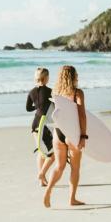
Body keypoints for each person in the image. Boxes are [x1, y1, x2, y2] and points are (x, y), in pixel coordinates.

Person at [43, 65, 87, 208]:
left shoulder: (57, 92)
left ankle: (48, 190)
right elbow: (82, 115)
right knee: (75, 168)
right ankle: (72, 199)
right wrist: (83, 136)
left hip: (59, 132)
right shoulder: (77, 93)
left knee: (59, 166)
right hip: (72, 133)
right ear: (74, 76)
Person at [26, 67, 55, 187]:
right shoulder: (50, 91)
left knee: (41, 152)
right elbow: (57, 104)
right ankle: (41, 174)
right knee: (53, 154)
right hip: (44, 125)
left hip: (35, 124)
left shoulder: (31, 92)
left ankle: (41, 181)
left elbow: (28, 108)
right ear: (46, 78)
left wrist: (37, 106)